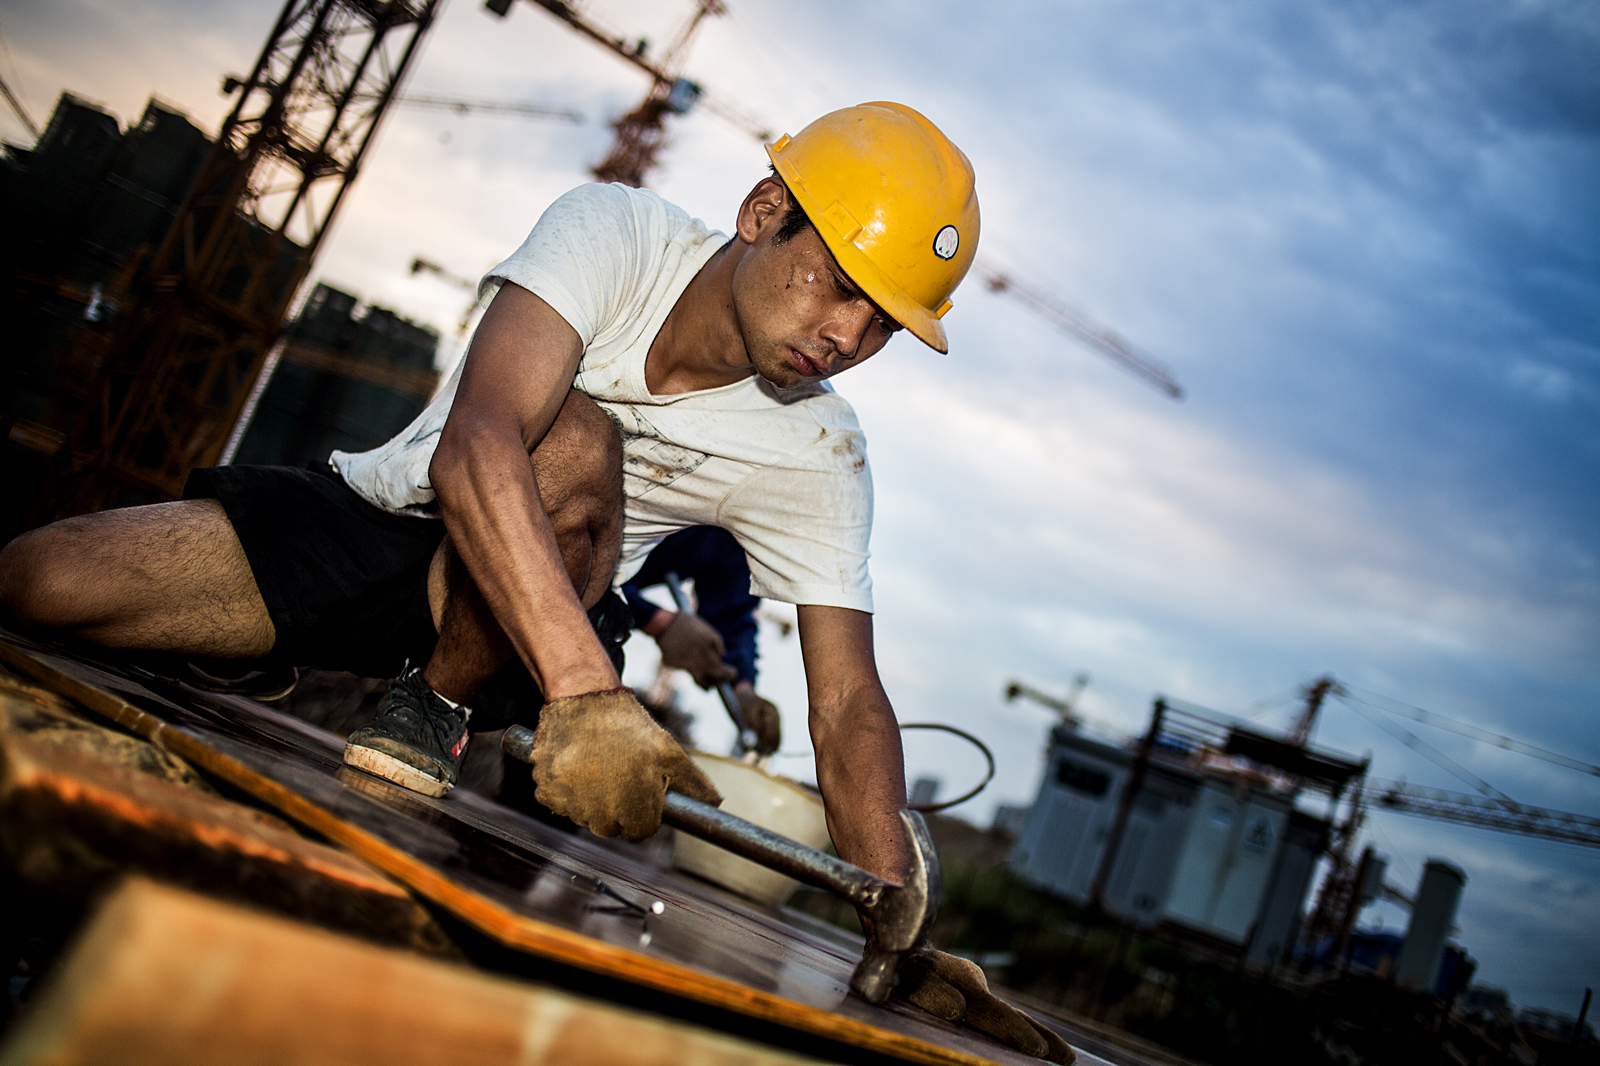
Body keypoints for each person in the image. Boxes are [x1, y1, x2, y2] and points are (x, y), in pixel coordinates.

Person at [0, 101, 1076, 1062]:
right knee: (40, 578)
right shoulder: (613, 235)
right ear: (761, 212)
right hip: (397, 527)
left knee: (573, 445)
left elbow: (845, 703)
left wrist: (894, 916)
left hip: (532, 630)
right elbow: (475, 441)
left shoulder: (822, 452)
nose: (846, 337)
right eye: (841, 284)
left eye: (883, 323)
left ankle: (435, 704)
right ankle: (285, 648)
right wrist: (593, 702)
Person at [622, 524, 782, 756]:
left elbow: (730, 612)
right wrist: (658, 623)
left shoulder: (731, 525)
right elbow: (566, 562)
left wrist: (742, 686)